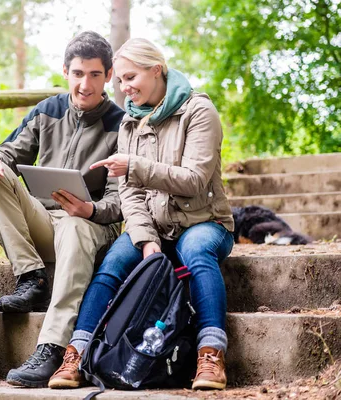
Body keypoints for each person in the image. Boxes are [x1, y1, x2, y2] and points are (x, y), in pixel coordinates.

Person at [47, 38, 235, 391]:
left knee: (196, 252)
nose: (123, 88)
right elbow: (130, 195)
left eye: (130, 78)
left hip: (204, 223)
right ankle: (77, 352)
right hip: (153, 226)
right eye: (119, 81)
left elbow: (194, 181)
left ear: (156, 70)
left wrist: (135, 165)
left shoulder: (198, 111)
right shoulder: (130, 124)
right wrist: (146, 240)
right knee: (113, 264)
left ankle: (210, 353)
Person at [0, 31, 124, 388]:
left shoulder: (121, 125)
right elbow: (7, 155)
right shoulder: (48, 111)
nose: (85, 84)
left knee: (73, 225)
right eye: (77, 74)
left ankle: (51, 347)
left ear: (109, 75)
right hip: (45, 223)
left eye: (95, 75)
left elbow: (121, 203)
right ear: (65, 71)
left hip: (91, 227)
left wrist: (90, 209)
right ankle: (32, 276)